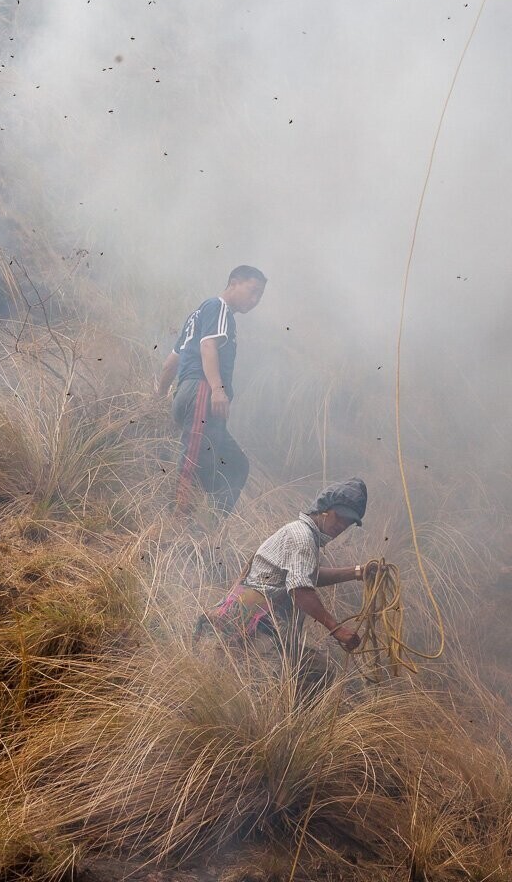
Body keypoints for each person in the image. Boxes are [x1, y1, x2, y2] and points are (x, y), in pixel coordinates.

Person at [199, 478, 371, 654]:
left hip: (256, 623)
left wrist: (358, 572)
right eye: (339, 516)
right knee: (313, 672)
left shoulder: (302, 533)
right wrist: (336, 629)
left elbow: (307, 574)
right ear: (325, 509)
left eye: (348, 522)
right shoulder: (302, 538)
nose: (342, 525)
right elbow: (300, 591)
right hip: (253, 626)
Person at [157, 265, 267, 515]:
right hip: (202, 394)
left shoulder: (196, 318)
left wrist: (159, 398)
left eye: (259, 296)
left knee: (236, 465)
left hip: (192, 397)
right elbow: (208, 347)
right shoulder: (219, 308)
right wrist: (217, 390)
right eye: (252, 291)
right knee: (194, 461)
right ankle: (177, 525)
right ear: (233, 282)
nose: (254, 300)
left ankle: (208, 529)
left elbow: (169, 364)